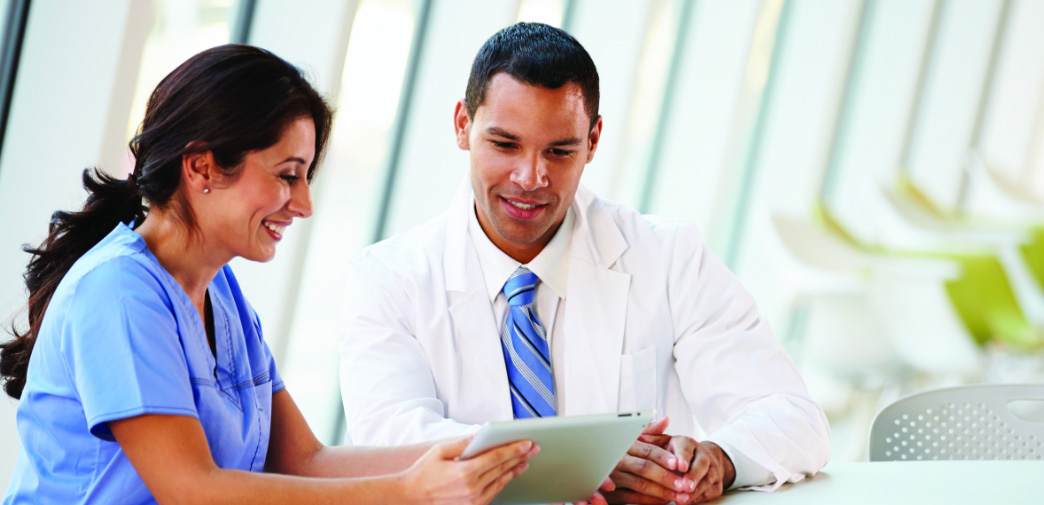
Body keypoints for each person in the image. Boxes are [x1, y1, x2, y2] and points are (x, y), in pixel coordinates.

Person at [0, 45, 539, 505]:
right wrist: (404, 492)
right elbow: (193, 490)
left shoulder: (221, 294)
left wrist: (497, 457)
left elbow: (304, 461)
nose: (303, 205)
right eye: (287, 176)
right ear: (201, 166)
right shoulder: (118, 292)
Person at [338, 22, 831, 505]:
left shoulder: (667, 255)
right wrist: (577, 468)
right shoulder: (387, 279)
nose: (530, 177)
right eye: (505, 144)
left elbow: (794, 416)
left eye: (559, 151)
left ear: (592, 141)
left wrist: (718, 461)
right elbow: (389, 442)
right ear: (463, 126)